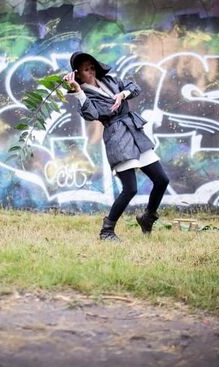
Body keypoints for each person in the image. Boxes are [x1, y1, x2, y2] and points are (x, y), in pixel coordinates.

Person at [64, 51, 170, 241]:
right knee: (130, 189)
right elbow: (93, 113)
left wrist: (122, 94)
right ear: (78, 74)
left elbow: (134, 87)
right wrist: (78, 91)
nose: (91, 72)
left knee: (162, 180)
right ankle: (107, 231)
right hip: (117, 137)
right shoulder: (84, 95)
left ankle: (148, 217)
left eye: (92, 67)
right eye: (86, 70)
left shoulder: (111, 81)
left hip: (135, 132)